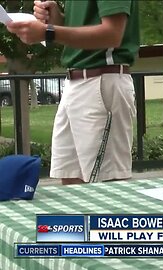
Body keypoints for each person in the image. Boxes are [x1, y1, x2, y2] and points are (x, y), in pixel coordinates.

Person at [6, 0, 139, 185]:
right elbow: (85, 28)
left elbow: (112, 34)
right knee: (71, 178)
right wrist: (58, 19)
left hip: (101, 81)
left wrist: (49, 32)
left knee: (107, 186)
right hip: (74, 83)